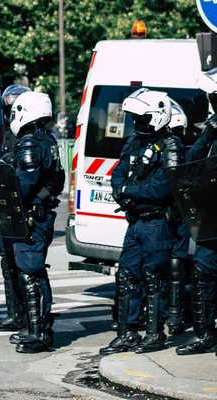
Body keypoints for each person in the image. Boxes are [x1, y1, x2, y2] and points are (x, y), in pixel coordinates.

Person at [99, 88, 185, 356]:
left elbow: (161, 189)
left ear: (157, 116)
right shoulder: (133, 142)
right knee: (125, 275)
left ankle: (154, 333)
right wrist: (123, 191)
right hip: (135, 222)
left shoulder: (172, 147)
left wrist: (127, 191)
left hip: (157, 223)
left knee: (152, 278)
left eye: (141, 117)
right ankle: (127, 333)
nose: (136, 123)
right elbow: (118, 174)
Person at [0, 91, 63, 353]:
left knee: (31, 273)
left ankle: (39, 334)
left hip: (31, 217)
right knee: (32, 271)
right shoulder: (47, 139)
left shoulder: (29, 143)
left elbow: (22, 185)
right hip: (39, 214)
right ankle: (33, 326)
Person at [174, 72, 217, 355]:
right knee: (202, 271)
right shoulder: (214, 126)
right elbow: (191, 160)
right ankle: (205, 335)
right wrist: (208, 134)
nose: (211, 101)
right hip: (212, 215)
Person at [0, 84, 31, 333]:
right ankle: (14, 312)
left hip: (24, 209)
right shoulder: (9, 133)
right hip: (8, 205)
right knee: (7, 261)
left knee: (25, 264)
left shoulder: (30, 137)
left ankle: (29, 315)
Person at [165, 98, 190, 336]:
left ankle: (172, 315)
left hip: (174, 213)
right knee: (173, 263)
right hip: (171, 213)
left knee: (171, 263)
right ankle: (172, 315)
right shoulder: (183, 149)